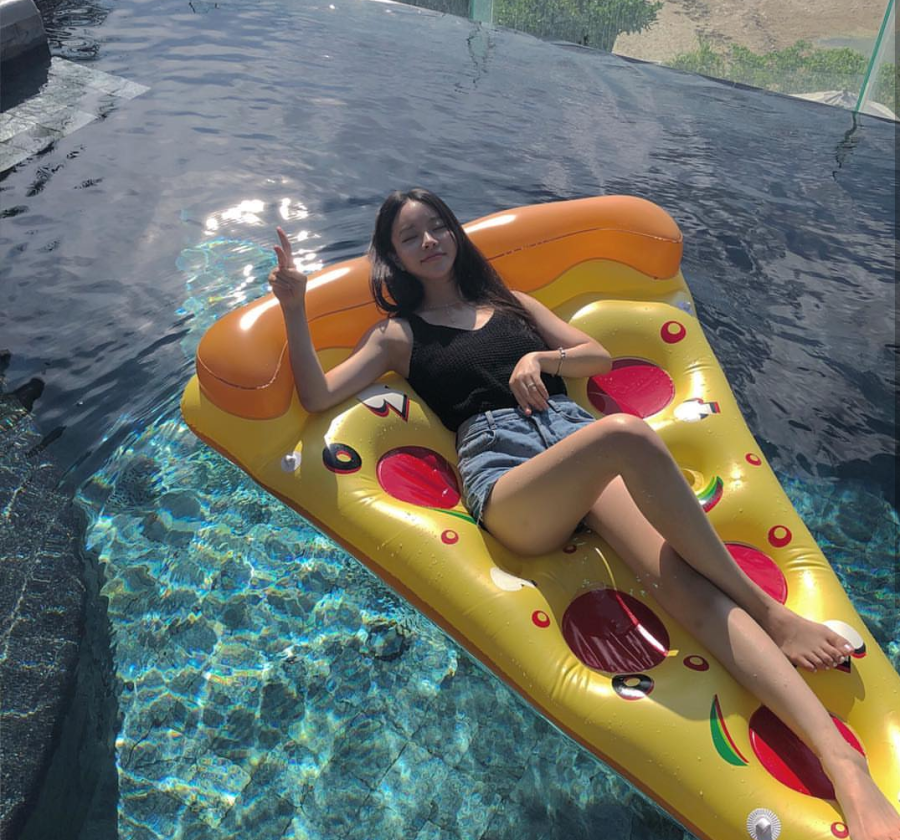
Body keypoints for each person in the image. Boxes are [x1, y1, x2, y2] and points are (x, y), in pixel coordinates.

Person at [268, 188, 900, 840]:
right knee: (624, 434)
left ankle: (843, 763)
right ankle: (770, 612)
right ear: (394, 256)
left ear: (454, 232)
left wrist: (542, 358)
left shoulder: (510, 304)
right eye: (410, 236)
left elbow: (596, 354)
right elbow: (318, 394)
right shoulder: (399, 335)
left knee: (684, 585)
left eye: (437, 227)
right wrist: (293, 304)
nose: (429, 242)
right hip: (512, 480)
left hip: (577, 446)